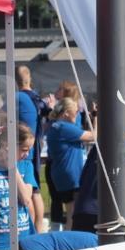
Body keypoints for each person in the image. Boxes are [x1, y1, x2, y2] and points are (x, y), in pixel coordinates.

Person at [47, 98, 95, 230]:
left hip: (64, 173)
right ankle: (70, 241)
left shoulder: (57, 125)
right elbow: (93, 136)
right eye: (76, 111)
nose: (78, 114)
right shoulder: (63, 127)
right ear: (66, 113)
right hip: (70, 176)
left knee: (72, 212)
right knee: (73, 214)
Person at [15, 65, 51, 231]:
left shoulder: (17, 97)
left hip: (22, 151)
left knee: (27, 191)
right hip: (34, 148)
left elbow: (0, 116)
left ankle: (29, 228)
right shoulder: (37, 99)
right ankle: (38, 228)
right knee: (35, 190)